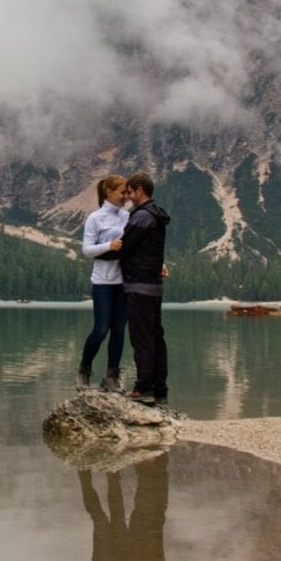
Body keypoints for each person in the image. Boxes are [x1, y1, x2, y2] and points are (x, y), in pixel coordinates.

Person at [118, 172, 170, 405]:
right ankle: (160, 388)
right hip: (154, 286)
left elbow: (124, 247)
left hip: (139, 285)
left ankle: (143, 388)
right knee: (156, 337)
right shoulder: (156, 216)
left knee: (142, 339)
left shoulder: (141, 218)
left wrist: (102, 252)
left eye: (129, 192)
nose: (127, 196)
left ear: (140, 191)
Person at [77, 174, 129, 391]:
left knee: (119, 331)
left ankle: (111, 376)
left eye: (128, 192)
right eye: (122, 192)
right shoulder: (95, 218)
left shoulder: (127, 216)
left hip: (124, 282)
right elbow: (87, 250)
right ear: (109, 192)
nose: (126, 196)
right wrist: (110, 246)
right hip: (103, 282)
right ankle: (84, 369)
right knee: (100, 329)